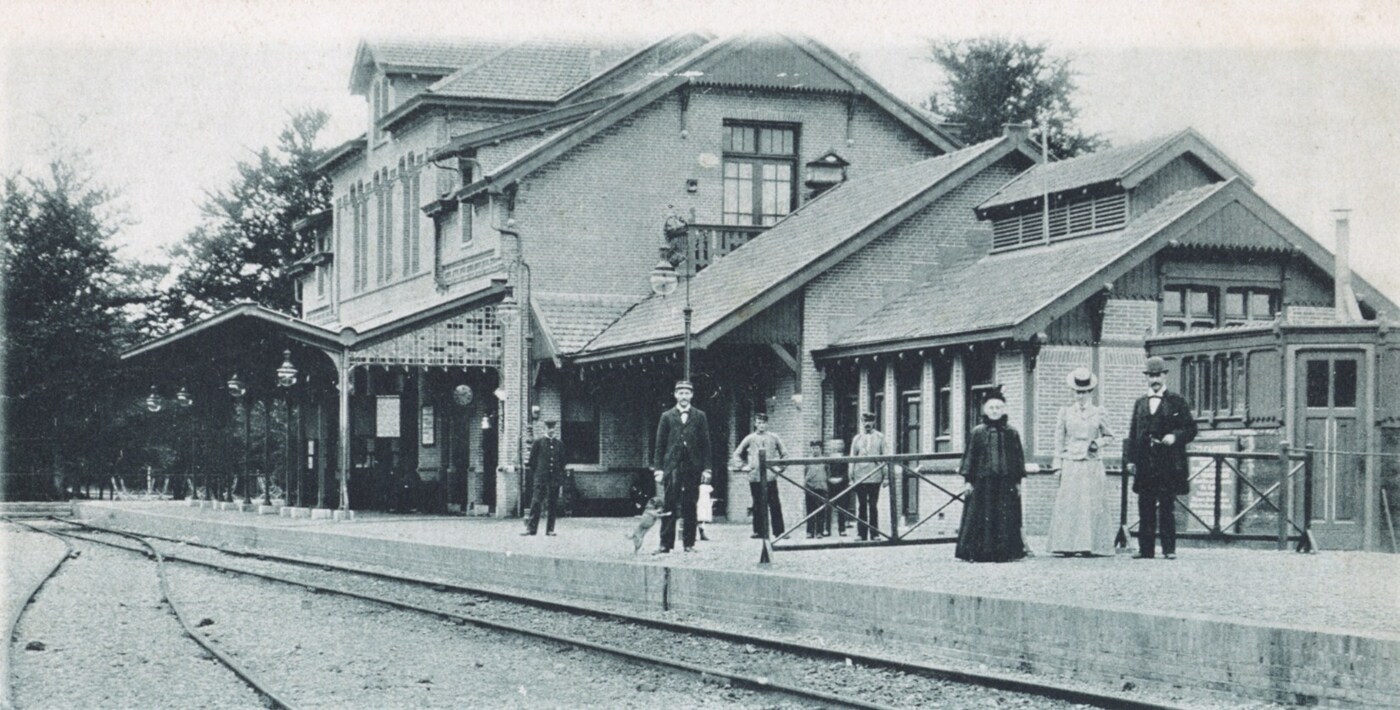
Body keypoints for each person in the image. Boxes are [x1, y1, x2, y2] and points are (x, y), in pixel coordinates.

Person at [1125, 356, 1197, 560]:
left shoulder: (1177, 401)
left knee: (1167, 507)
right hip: (1145, 463)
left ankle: (1169, 549)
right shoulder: (1139, 403)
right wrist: (1131, 460)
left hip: (1168, 463)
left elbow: (1191, 429)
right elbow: (1133, 433)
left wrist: (1174, 436)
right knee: (1145, 506)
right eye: (1151, 376)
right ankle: (1145, 549)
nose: (1154, 379)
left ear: (1165, 376)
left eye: (1158, 375)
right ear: (1146, 378)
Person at [1045, 368, 1116, 557]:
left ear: (1090, 392)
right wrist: (1057, 466)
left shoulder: (1099, 412)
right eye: (1078, 392)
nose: (1081, 396)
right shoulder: (1065, 413)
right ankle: (1065, 545)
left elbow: (1110, 436)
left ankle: (1090, 546)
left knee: (1091, 504)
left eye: (1084, 392)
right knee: (1070, 504)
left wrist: (1097, 443)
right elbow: (1058, 441)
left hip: (1092, 463)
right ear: (1073, 392)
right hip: (1071, 462)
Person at [954, 388, 1027, 563]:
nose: (995, 411)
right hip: (982, 483)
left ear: (1004, 410)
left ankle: (1006, 553)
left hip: (1005, 482)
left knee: (1005, 516)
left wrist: (1018, 482)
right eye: (992, 408)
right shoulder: (977, 432)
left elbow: (1018, 458)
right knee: (980, 517)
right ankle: (978, 552)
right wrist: (968, 481)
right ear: (985, 410)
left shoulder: (1011, 432)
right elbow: (970, 457)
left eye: (998, 408)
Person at [651, 380, 712, 553]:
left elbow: (706, 444)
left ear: (691, 395)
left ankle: (689, 544)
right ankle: (665, 543)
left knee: (690, 504)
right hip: (672, 467)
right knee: (669, 503)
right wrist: (659, 469)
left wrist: (707, 468)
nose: (684, 397)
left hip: (693, 466)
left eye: (687, 393)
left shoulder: (700, 416)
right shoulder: (667, 416)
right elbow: (659, 445)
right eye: (680, 393)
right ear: (675, 395)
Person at [734, 412, 786, 539]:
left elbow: (785, 454)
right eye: (759, 423)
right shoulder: (750, 438)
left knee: (774, 503)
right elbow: (737, 453)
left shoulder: (774, 437)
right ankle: (759, 531)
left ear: (767, 424)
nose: (761, 425)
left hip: (770, 476)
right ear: (755, 424)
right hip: (755, 476)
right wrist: (743, 466)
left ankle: (779, 531)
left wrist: (779, 469)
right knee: (757, 503)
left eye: (764, 423)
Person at [521, 420, 565, 536]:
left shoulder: (559, 444)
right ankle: (531, 529)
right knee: (536, 502)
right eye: (549, 428)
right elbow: (532, 462)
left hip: (554, 478)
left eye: (553, 428)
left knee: (552, 504)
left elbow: (562, 462)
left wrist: (558, 476)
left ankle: (550, 529)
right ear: (544, 429)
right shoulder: (538, 443)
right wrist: (539, 473)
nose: (551, 430)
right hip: (541, 478)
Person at [848, 413, 886, 541]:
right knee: (862, 505)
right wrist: (851, 477)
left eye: (870, 421)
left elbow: (885, 457)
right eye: (865, 421)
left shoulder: (880, 437)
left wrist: (886, 477)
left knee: (873, 505)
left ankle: (875, 534)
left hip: (875, 475)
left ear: (874, 422)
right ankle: (861, 534)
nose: (867, 424)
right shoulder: (857, 439)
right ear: (861, 422)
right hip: (860, 476)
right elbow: (852, 458)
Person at [802, 440, 831, 538]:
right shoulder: (808, 460)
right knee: (810, 510)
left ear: (820, 449)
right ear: (811, 449)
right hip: (810, 488)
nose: (815, 450)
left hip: (821, 488)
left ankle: (819, 531)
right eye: (813, 448)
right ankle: (810, 531)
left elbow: (828, 472)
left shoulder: (824, 460)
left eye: (817, 448)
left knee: (821, 511)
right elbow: (805, 473)